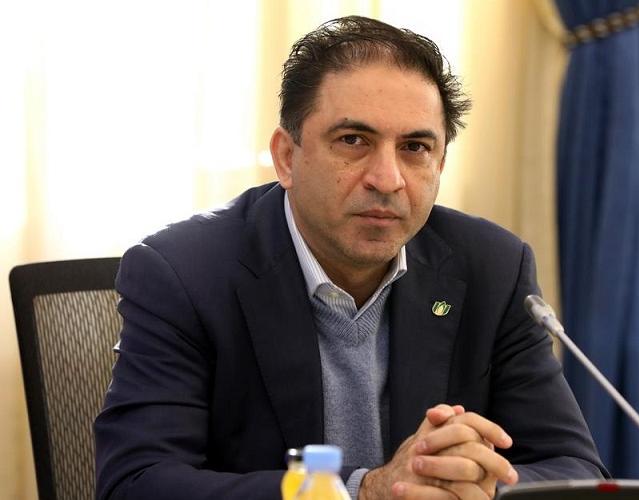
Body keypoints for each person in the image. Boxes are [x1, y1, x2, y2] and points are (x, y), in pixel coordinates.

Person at [94, 15, 606, 500]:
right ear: (287, 157)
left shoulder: (492, 267)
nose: (387, 179)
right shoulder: (184, 273)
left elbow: (574, 467)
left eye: (415, 147)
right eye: (354, 140)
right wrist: (362, 490)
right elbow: (137, 484)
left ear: (440, 163)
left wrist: (471, 482)